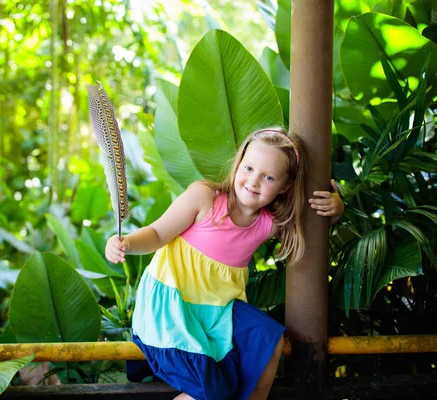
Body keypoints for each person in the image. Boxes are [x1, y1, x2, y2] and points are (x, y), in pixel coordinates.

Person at [105, 127, 344, 400]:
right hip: (174, 305)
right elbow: (158, 234)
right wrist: (127, 243)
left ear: (285, 186)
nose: (253, 181)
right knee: (214, 391)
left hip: (219, 310)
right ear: (239, 162)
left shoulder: (269, 224)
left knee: (268, 339)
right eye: (249, 168)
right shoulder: (205, 199)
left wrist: (337, 209)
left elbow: (314, 219)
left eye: (268, 177)